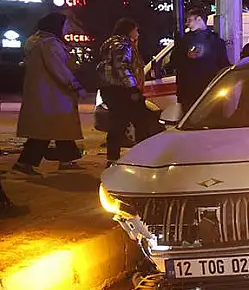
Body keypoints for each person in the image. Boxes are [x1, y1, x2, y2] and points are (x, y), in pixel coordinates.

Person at [12, 13, 86, 175]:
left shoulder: (35, 41)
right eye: (65, 25)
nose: (67, 28)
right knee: (47, 129)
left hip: (43, 94)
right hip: (53, 94)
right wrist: (74, 85)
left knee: (56, 128)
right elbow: (59, 68)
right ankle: (25, 163)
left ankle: (67, 159)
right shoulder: (50, 44)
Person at [98, 18, 153, 166]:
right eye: (136, 30)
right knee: (141, 121)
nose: (138, 34)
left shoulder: (108, 43)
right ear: (129, 30)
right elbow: (122, 67)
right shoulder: (123, 45)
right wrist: (133, 88)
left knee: (117, 123)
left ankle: (112, 158)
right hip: (122, 91)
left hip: (110, 89)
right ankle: (143, 156)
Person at [171, 8, 231, 110]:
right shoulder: (184, 40)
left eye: (190, 20)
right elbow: (174, 61)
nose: (187, 24)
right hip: (189, 91)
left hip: (208, 90)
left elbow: (223, 64)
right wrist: (186, 56)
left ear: (199, 19)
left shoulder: (215, 41)